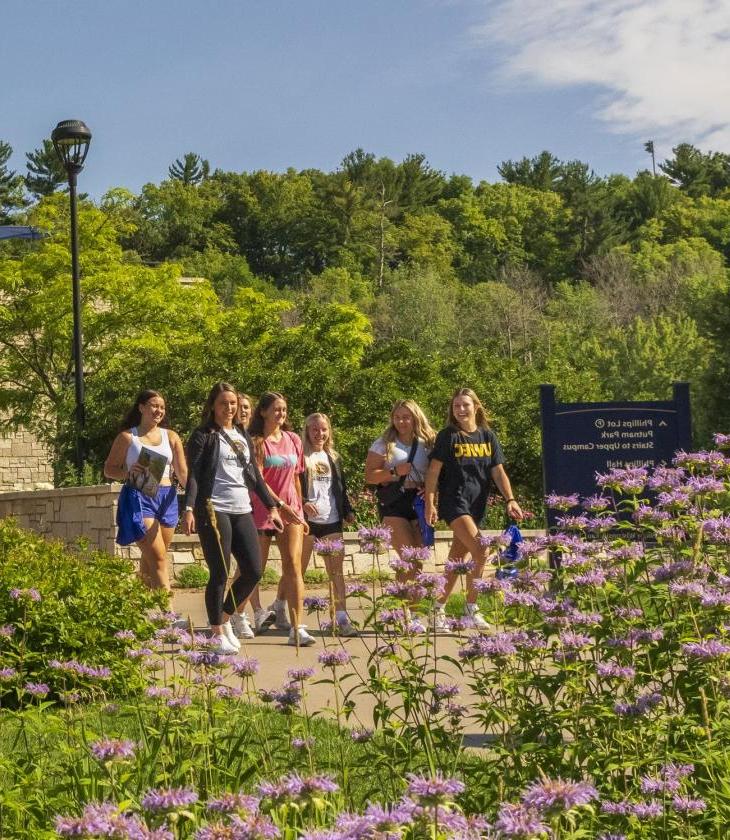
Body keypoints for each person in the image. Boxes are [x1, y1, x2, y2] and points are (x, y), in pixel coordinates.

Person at [182, 382, 284, 655]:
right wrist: (189, 508)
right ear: (213, 406)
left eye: (233, 404)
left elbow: (254, 475)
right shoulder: (203, 435)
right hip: (213, 509)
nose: (229, 408)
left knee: (253, 569)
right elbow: (193, 475)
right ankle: (216, 633)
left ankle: (224, 618)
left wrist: (271, 506)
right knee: (221, 572)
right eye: (223, 403)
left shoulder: (241, 434)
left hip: (242, 509)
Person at [425, 387, 523, 631]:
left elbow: (498, 472)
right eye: (456, 406)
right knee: (481, 549)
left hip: (476, 504)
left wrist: (510, 499)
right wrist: (430, 502)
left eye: (465, 405)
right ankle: (471, 609)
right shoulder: (448, 436)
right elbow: (434, 471)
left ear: (476, 407)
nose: (460, 410)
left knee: (456, 561)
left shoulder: (487, 437)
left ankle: (436, 609)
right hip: (454, 502)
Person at [247, 392, 314, 647]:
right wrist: (280, 505)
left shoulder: (293, 439)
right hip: (265, 509)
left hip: (291, 511)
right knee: (256, 568)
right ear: (263, 412)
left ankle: (297, 627)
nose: (281, 414)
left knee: (293, 566)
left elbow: (297, 476)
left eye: (284, 410)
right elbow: (259, 480)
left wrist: (298, 506)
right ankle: (238, 615)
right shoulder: (257, 442)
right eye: (276, 409)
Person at [104, 389, 188, 592]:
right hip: (139, 496)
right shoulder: (127, 437)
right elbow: (109, 470)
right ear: (141, 408)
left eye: (162, 407)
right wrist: (127, 472)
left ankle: (141, 606)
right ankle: (169, 618)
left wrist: (195, 500)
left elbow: (183, 473)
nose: (159, 410)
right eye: (154, 405)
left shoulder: (172, 436)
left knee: (152, 558)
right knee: (158, 558)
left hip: (167, 497)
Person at [365, 400, 436, 590]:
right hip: (394, 502)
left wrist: (431, 491)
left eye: (406, 417)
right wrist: (395, 472)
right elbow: (370, 476)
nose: (401, 422)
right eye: (397, 417)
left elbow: (438, 472)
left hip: (419, 501)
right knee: (409, 557)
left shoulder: (428, 442)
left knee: (416, 561)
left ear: (415, 418)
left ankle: (405, 607)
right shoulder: (384, 443)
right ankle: (407, 612)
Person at [300, 413, 358, 636]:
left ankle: (341, 618)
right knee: (298, 572)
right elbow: (294, 487)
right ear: (307, 431)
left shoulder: (332, 456)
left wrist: (348, 511)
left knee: (336, 572)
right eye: (314, 429)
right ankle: (288, 614)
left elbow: (340, 488)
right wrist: (304, 502)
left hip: (331, 519)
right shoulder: (302, 456)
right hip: (306, 522)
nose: (319, 434)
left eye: (323, 429)